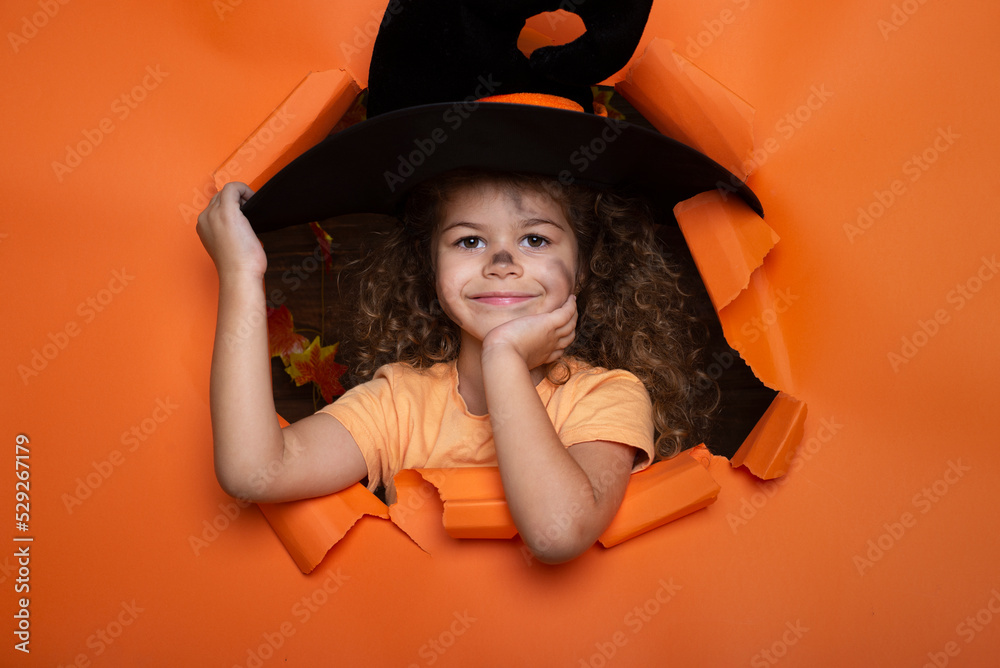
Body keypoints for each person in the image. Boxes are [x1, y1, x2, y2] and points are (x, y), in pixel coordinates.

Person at [197, 166, 716, 564]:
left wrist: (505, 359)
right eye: (470, 240)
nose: (501, 261)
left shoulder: (608, 394)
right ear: (431, 267)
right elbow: (254, 472)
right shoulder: (400, 401)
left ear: (581, 268)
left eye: (535, 239)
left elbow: (558, 532)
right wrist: (242, 273)